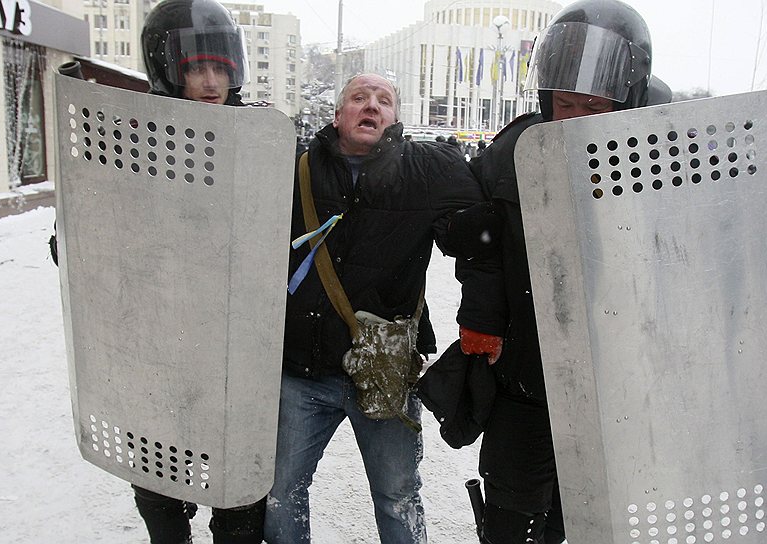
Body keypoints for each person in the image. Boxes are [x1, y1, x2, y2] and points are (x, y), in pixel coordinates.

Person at [460, 1, 669, 542]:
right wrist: (483, 322)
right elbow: (480, 248)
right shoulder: (514, 151)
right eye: (567, 104)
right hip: (525, 379)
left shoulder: (657, 162)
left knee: (591, 516)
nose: (576, 120)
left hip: (615, 384)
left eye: (594, 108)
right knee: (513, 517)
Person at [263, 73, 503, 543]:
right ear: (338, 115)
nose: (371, 106)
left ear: (395, 118)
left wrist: (482, 317)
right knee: (281, 490)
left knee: (398, 497)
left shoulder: (427, 170)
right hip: (303, 367)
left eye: (384, 100)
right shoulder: (296, 169)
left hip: (384, 371)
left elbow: (483, 239)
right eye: (358, 98)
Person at [131, 0, 267, 542]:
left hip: (231, 345)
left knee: (238, 492)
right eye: (196, 69)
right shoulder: (132, 137)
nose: (211, 83)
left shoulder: (257, 137)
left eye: (220, 69)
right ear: (170, 71)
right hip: (157, 339)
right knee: (160, 488)